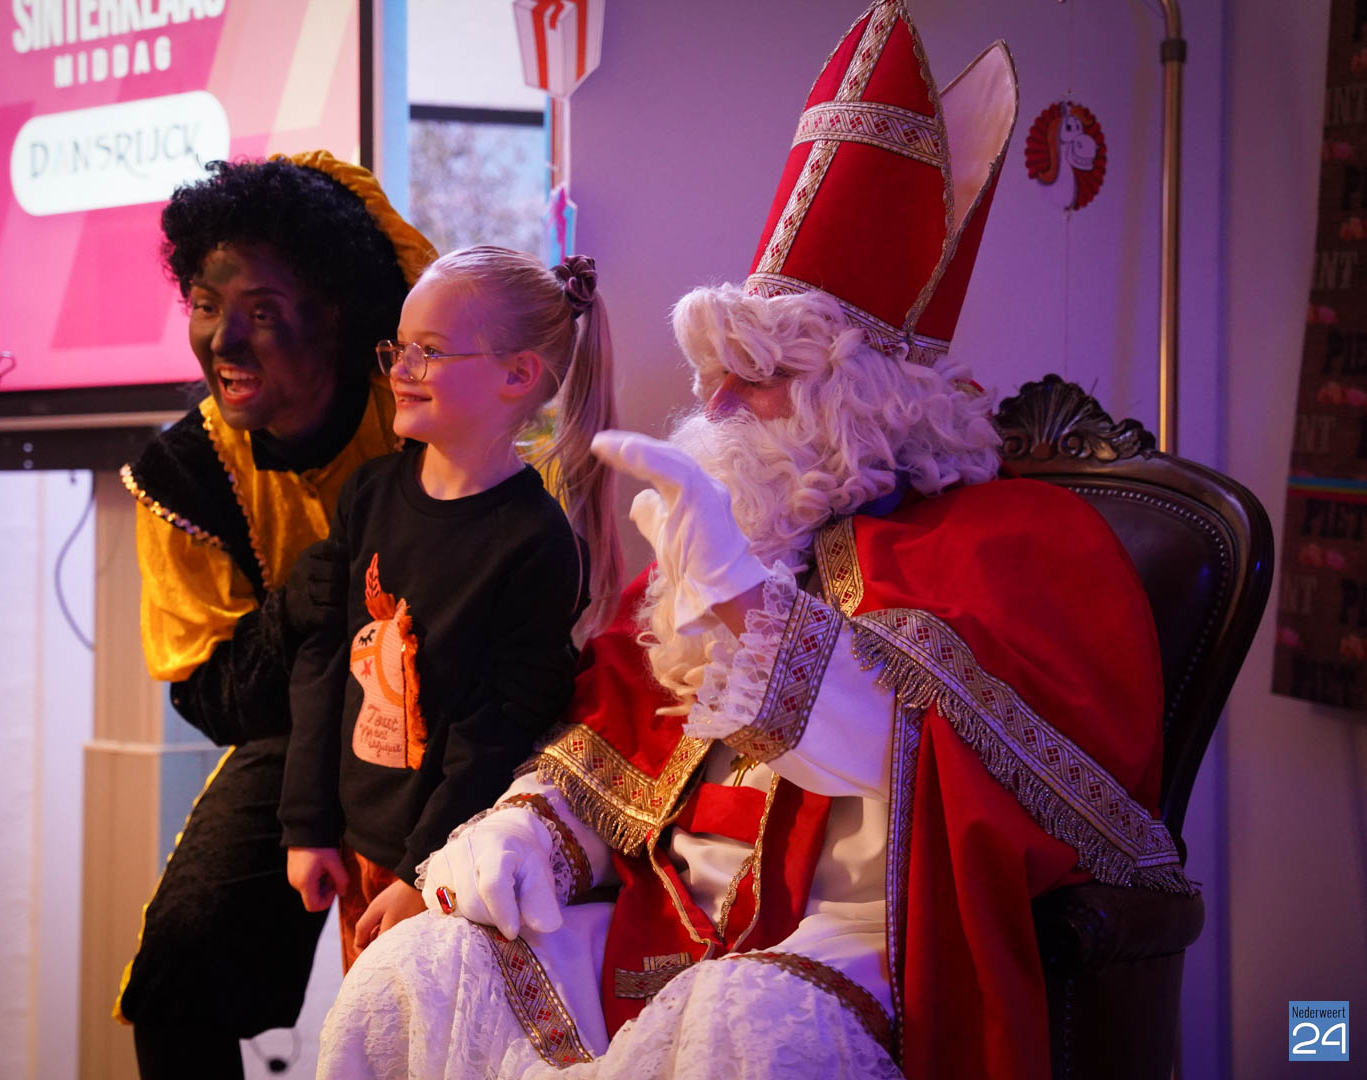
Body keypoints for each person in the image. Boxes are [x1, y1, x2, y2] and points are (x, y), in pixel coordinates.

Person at [316, 3, 1191, 1079]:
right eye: (713, 374)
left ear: (867, 399)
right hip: (666, 932)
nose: (717, 404)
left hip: (855, 953)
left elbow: (976, 779)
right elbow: (616, 743)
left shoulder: (1009, 543)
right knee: (417, 969)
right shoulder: (727, 536)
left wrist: (747, 611)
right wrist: (520, 833)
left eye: (758, 375)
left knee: (744, 1021)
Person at [114, 152, 435, 1080]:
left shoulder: (415, 401)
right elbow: (212, 698)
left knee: (447, 972)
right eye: (205, 306)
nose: (223, 341)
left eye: (260, 311)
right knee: (180, 966)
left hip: (459, 716)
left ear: (333, 312)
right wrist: (294, 612)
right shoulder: (183, 474)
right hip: (299, 727)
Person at [279, 246, 624, 970]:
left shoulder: (534, 543)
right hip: (353, 845)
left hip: (442, 871)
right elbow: (323, 661)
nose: (401, 369)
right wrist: (307, 824)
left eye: (429, 351)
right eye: (399, 348)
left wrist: (417, 872)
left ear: (517, 375)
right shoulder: (370, 493)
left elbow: (494, 733)